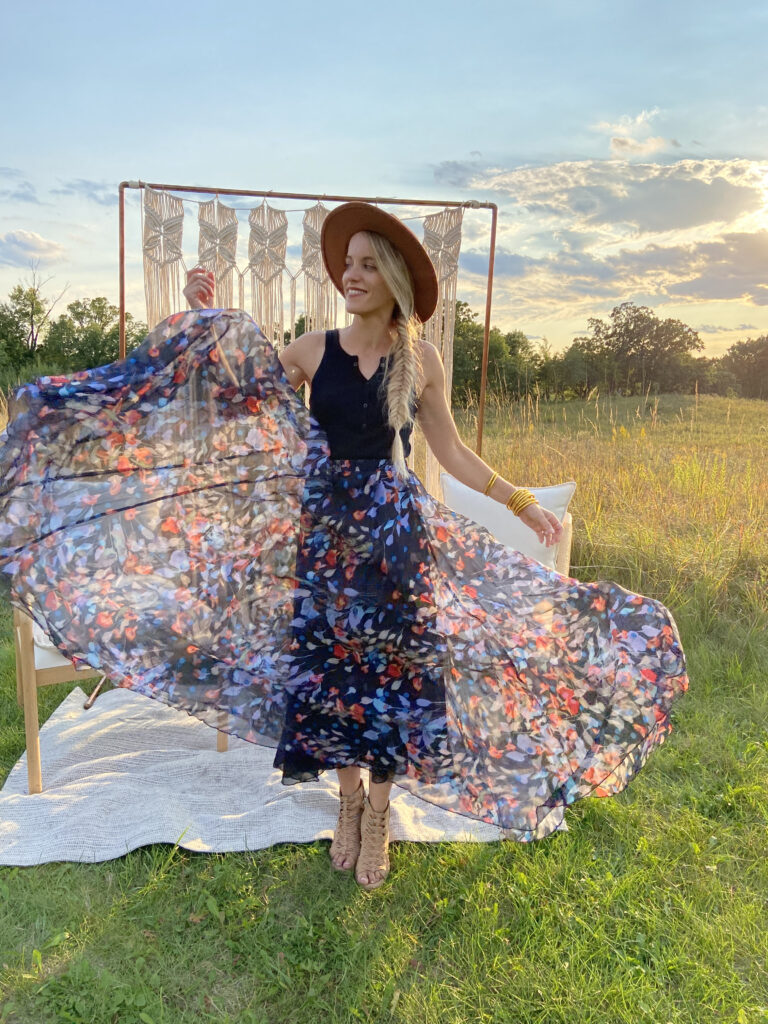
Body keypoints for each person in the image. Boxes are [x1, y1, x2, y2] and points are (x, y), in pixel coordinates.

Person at [0, 203, 687, 893]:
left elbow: (449, 452)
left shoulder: (421, 359)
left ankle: (380, 815)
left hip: (396, 541)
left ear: (392, 278)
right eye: (347, 264)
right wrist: (204, 316)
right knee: (336, 681)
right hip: (325, 541)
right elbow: (241, 397)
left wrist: (520, 499)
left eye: (366, 264)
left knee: (390, 682)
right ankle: (348, 802)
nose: (351, 276)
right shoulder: (311, 347)